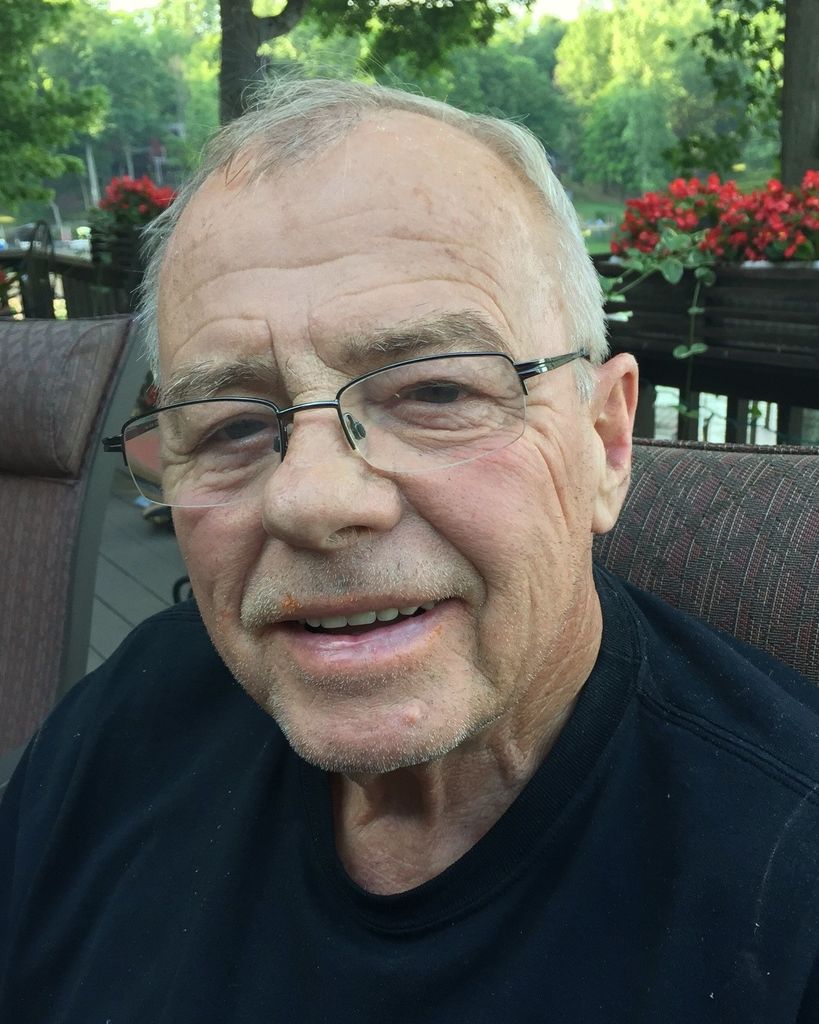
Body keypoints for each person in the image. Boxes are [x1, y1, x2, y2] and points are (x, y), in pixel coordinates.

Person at [1, 79, 818, 1023]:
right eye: (231, 425)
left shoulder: (787, 888)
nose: (310, 499)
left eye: (434, 393)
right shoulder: (125, 720)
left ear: (604, 442)